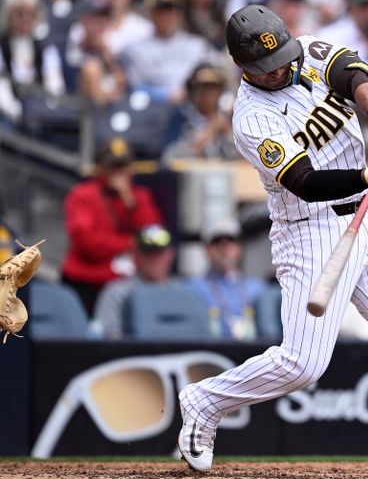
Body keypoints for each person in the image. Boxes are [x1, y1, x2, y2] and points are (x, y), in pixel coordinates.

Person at [176, 5, 368, 479]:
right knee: (303, 364)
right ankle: (205, 399)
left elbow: (355, 74)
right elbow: (304, 181)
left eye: (281, 57)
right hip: (308, 228)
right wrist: (367, 173)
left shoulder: (310, 52)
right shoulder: (249, 119)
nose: (279, 69)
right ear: (242, 68)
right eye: (266, 67)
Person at [61, 138, 163, 314]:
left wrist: (131, 203)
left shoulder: (140, 197)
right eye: (113, 167)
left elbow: (153, 239)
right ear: (101, 167)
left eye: (123, 167)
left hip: (128, 284)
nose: (118, 173)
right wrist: (132, 244)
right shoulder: (83, 195)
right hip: (87, 282)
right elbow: (87, 243)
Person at [120, 0, 212, 104]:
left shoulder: (198, 46)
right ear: (151, 13)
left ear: (180, 13)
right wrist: (164, 95)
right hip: (152, 110)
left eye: (172, 10)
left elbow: (212, 78)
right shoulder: (134, 49)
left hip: (192, 108)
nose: (167, 16)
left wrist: (189, 92)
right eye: (161, 10)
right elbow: (133, 87)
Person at [184, 218, 266, 341]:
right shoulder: (192, 288)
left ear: (239, 248)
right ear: (207, 249)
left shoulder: (258, 287)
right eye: (217, 242)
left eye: (230, 241)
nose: (225, 249)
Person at [93, 224, 177, 339]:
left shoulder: (184, 294)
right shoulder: (117, 293)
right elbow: (110, 337)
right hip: (135, 355)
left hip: (180, 355)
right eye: (148, 253)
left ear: (170, 254)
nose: (154, 259)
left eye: (159, 253)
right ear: (136, 255)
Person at [162, 64, 238, 163]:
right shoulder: (180, 118)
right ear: (193, 90)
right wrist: (210, 132)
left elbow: (245, 157)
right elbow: (168, 159)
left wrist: (228, 131)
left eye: (214, 87)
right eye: (203, 87)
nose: (208, 92)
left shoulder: (231, 119)